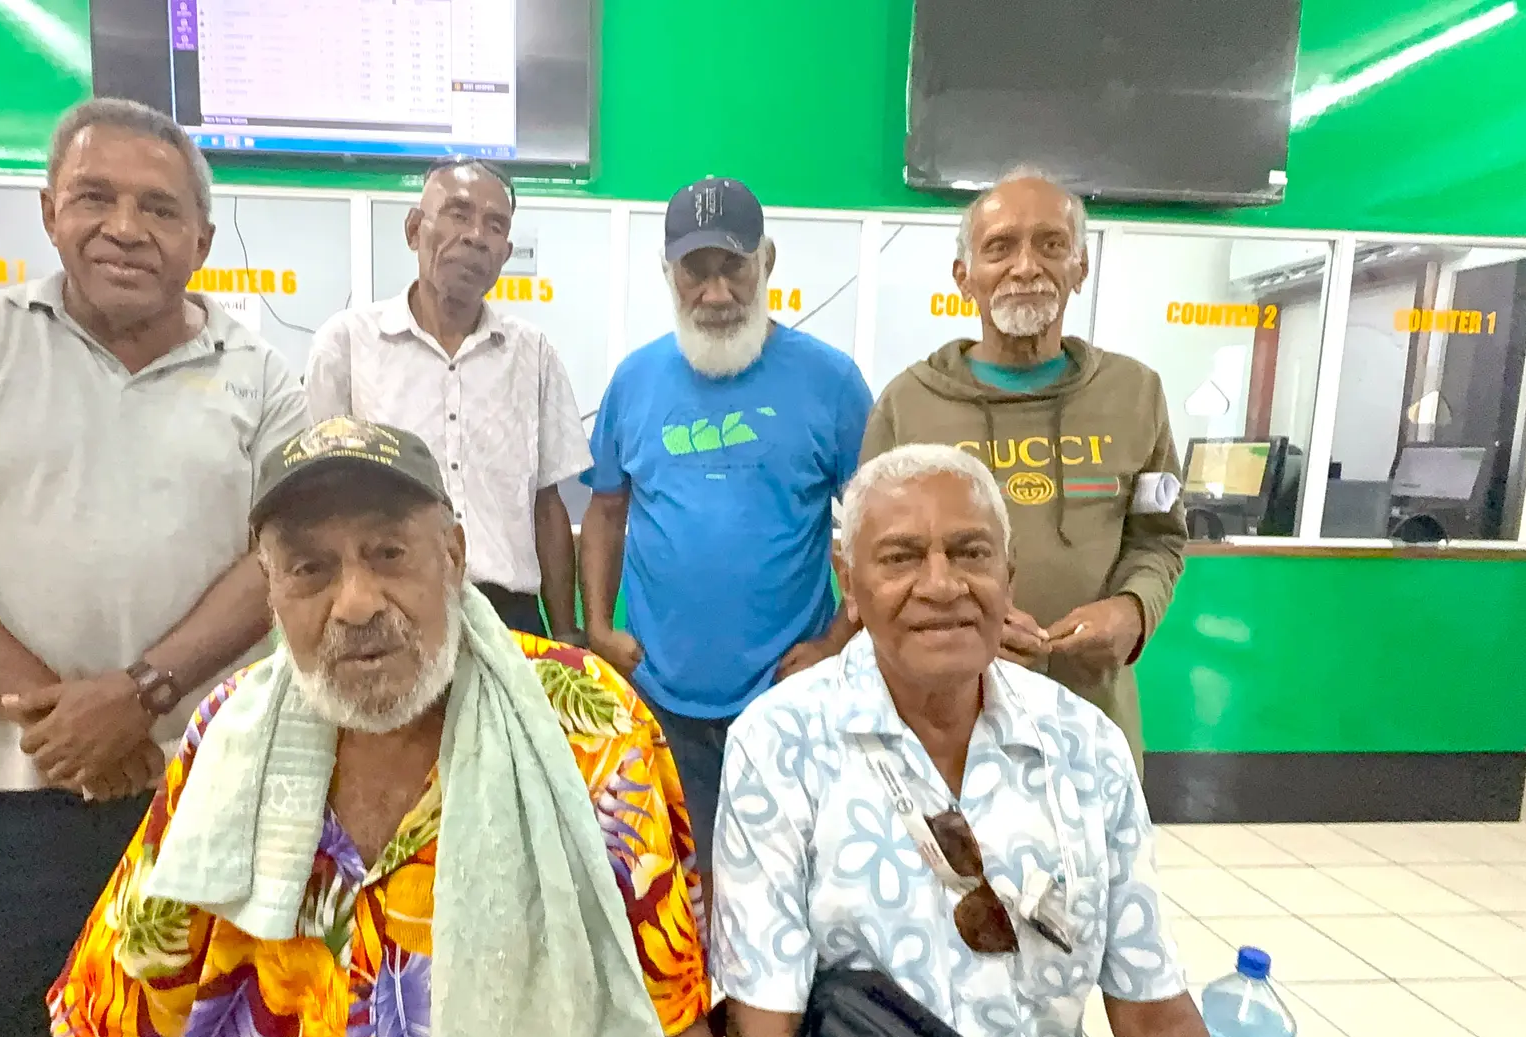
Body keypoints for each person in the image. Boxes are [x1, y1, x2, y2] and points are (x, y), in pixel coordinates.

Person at [0, 98, 308, 1037]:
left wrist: (139, 694)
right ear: (50, 212)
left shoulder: (264, 381)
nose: (125, 227)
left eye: (158, 207)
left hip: (193, 807)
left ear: (201, 239)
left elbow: (280, 560)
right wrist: (65, 720)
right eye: (95, 197)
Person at [46, 417, 723, 1037]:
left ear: (454, 556)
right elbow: (109, 1026)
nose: (356, 603)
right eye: (310, 568)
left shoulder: (584, 723)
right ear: (272, 589)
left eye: (389, 554)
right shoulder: (228, 733)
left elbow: (669, 1015)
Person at [713, 444, 1221, 1037]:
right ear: (850, 584)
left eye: (971, 553)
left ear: (1010, 577)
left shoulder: (1086, 748)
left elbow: (1154, 1013)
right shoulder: (779, 744)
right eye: (900, 557)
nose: (941, 586)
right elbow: (763, 1027)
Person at [579, 177, 873, 883]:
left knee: (791, 879)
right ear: (668, 274)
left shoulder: (832, 383)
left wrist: (837, 641)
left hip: (788, 697)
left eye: (733, 267)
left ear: (767, 261)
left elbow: (878, 527)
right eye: (695, 271)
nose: (715, 293)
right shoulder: (634, 381)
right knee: (672, 885)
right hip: (660, 696)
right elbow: (606, 510)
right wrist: (598, 626)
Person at [860, 167, 1185, 767]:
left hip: (1092, 722)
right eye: (1000, 247)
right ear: (964, 277)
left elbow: (1158, 538)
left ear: (1080, 268)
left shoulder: (1136, 395)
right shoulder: (908, 405)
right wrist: (964, 625)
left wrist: (1133, 610)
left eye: (1051, 244)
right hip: (944, 729)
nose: (1026, 266)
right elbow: (871, 565)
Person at [307, 156, 591, 642]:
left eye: (495, 226)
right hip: (388, 610)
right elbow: (319, 499)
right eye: (458, 214)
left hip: (511, 617)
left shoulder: (533, 354)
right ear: (413, 229)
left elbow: (547, 506)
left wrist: (565, 633)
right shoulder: (347, 345)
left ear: (505, 253)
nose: (476, 236)